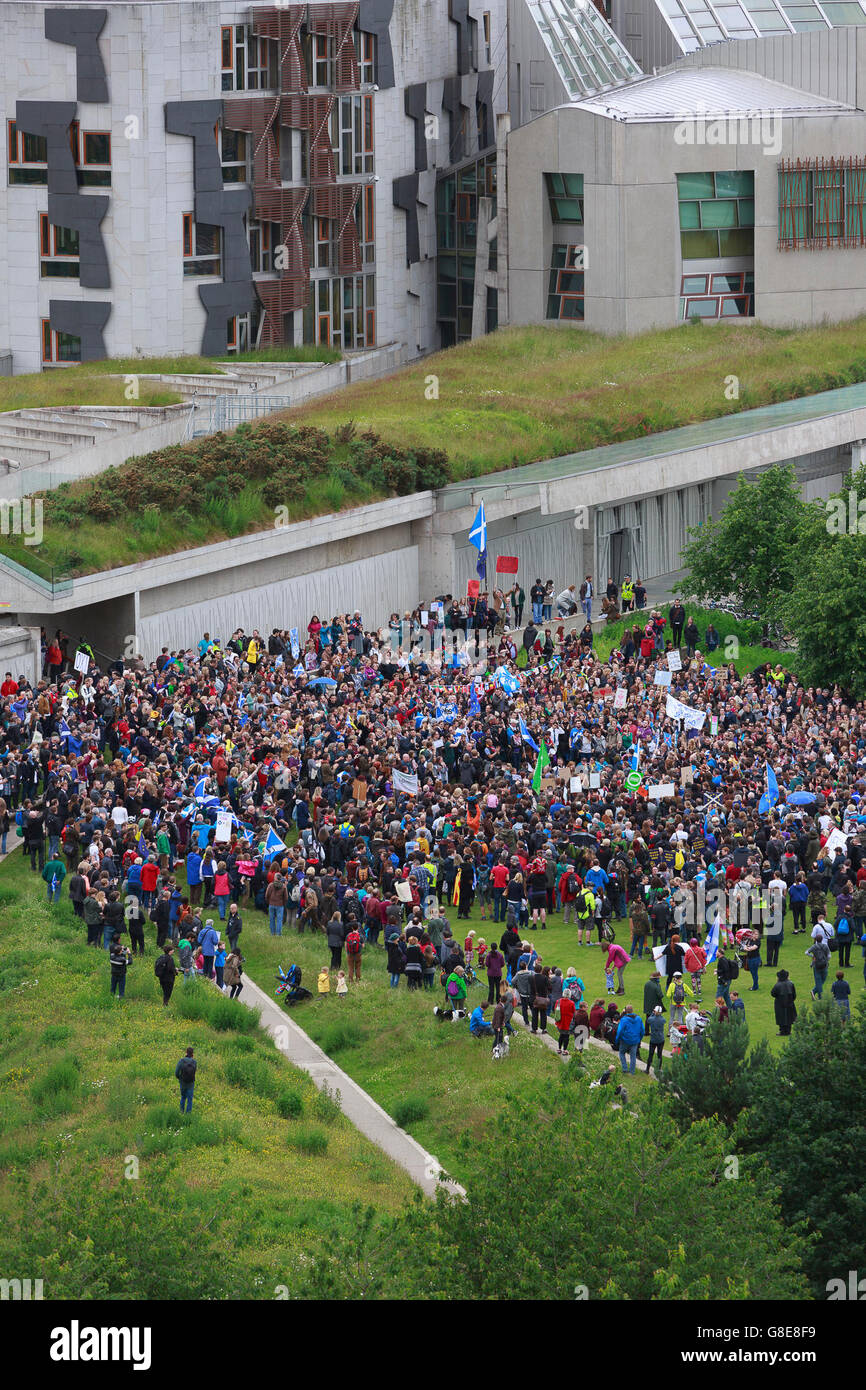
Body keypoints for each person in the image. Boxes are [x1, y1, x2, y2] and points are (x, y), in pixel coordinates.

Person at [615, 1004, 644, 1075]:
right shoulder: (639, 1019)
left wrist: (617, 1039)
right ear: (632, 1010)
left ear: (625, 1011)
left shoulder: (623, 1020)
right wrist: (639, 1038)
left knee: (621, 1053)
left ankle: (625, 1068)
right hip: (635, 1040)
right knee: (633, 1056)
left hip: (625, 1040)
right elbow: (642, 1030)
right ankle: (632, 1071)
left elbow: (619, 1030)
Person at [770, 969, 797, 1036]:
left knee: (781, 1018)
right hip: (790, 1003)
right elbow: (794, 995)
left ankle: (782, 1031)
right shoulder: (791, 984)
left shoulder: (777, 985)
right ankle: (788, 1031)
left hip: (779, 1004)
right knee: (789, 1017)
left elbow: (773, 993)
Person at [109, 934, 132, 999]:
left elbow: (115, 952)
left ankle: (111, 998)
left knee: (113, 987)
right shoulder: (122, 960)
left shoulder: (112, 957)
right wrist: (129, 953)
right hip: (121, 975)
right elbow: (130, 962)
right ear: (119, 952)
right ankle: (120, 998)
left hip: (114, 973)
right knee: (121, 988)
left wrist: (122, 949)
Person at [175, 1047, 196, 1113]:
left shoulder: (181, 1061)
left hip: (183, 1082)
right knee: (190, 1099)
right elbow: (194, 1072)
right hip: (191, 1083)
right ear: (192, 1053)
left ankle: (181, 1111)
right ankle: (188, 1114)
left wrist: (180, 1078)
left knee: (183, 1097)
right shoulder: (194, 1062)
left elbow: (176, 1072)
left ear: (186, 1052)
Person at [554, 988, 575, 1053]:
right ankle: (565, 1050)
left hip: (560, 1021)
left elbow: (555, 1009)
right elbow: (573, 1011)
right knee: (566, 1036)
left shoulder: (558, 1001)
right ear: (569, 995)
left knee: (561, 1035)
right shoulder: (571, 1003)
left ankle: (559, 1048)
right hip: (568, 1022)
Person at [646, 1005, 665, 1075]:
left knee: (651, 1054)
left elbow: (648, 1020)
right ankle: (659, 1069)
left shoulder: (651, 1019)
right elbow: (663, 1019)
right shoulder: (662, 1019)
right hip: (661, 1039)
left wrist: (652, 1013)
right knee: (659, 1055)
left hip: (653, 1039)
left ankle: (647, 1069)